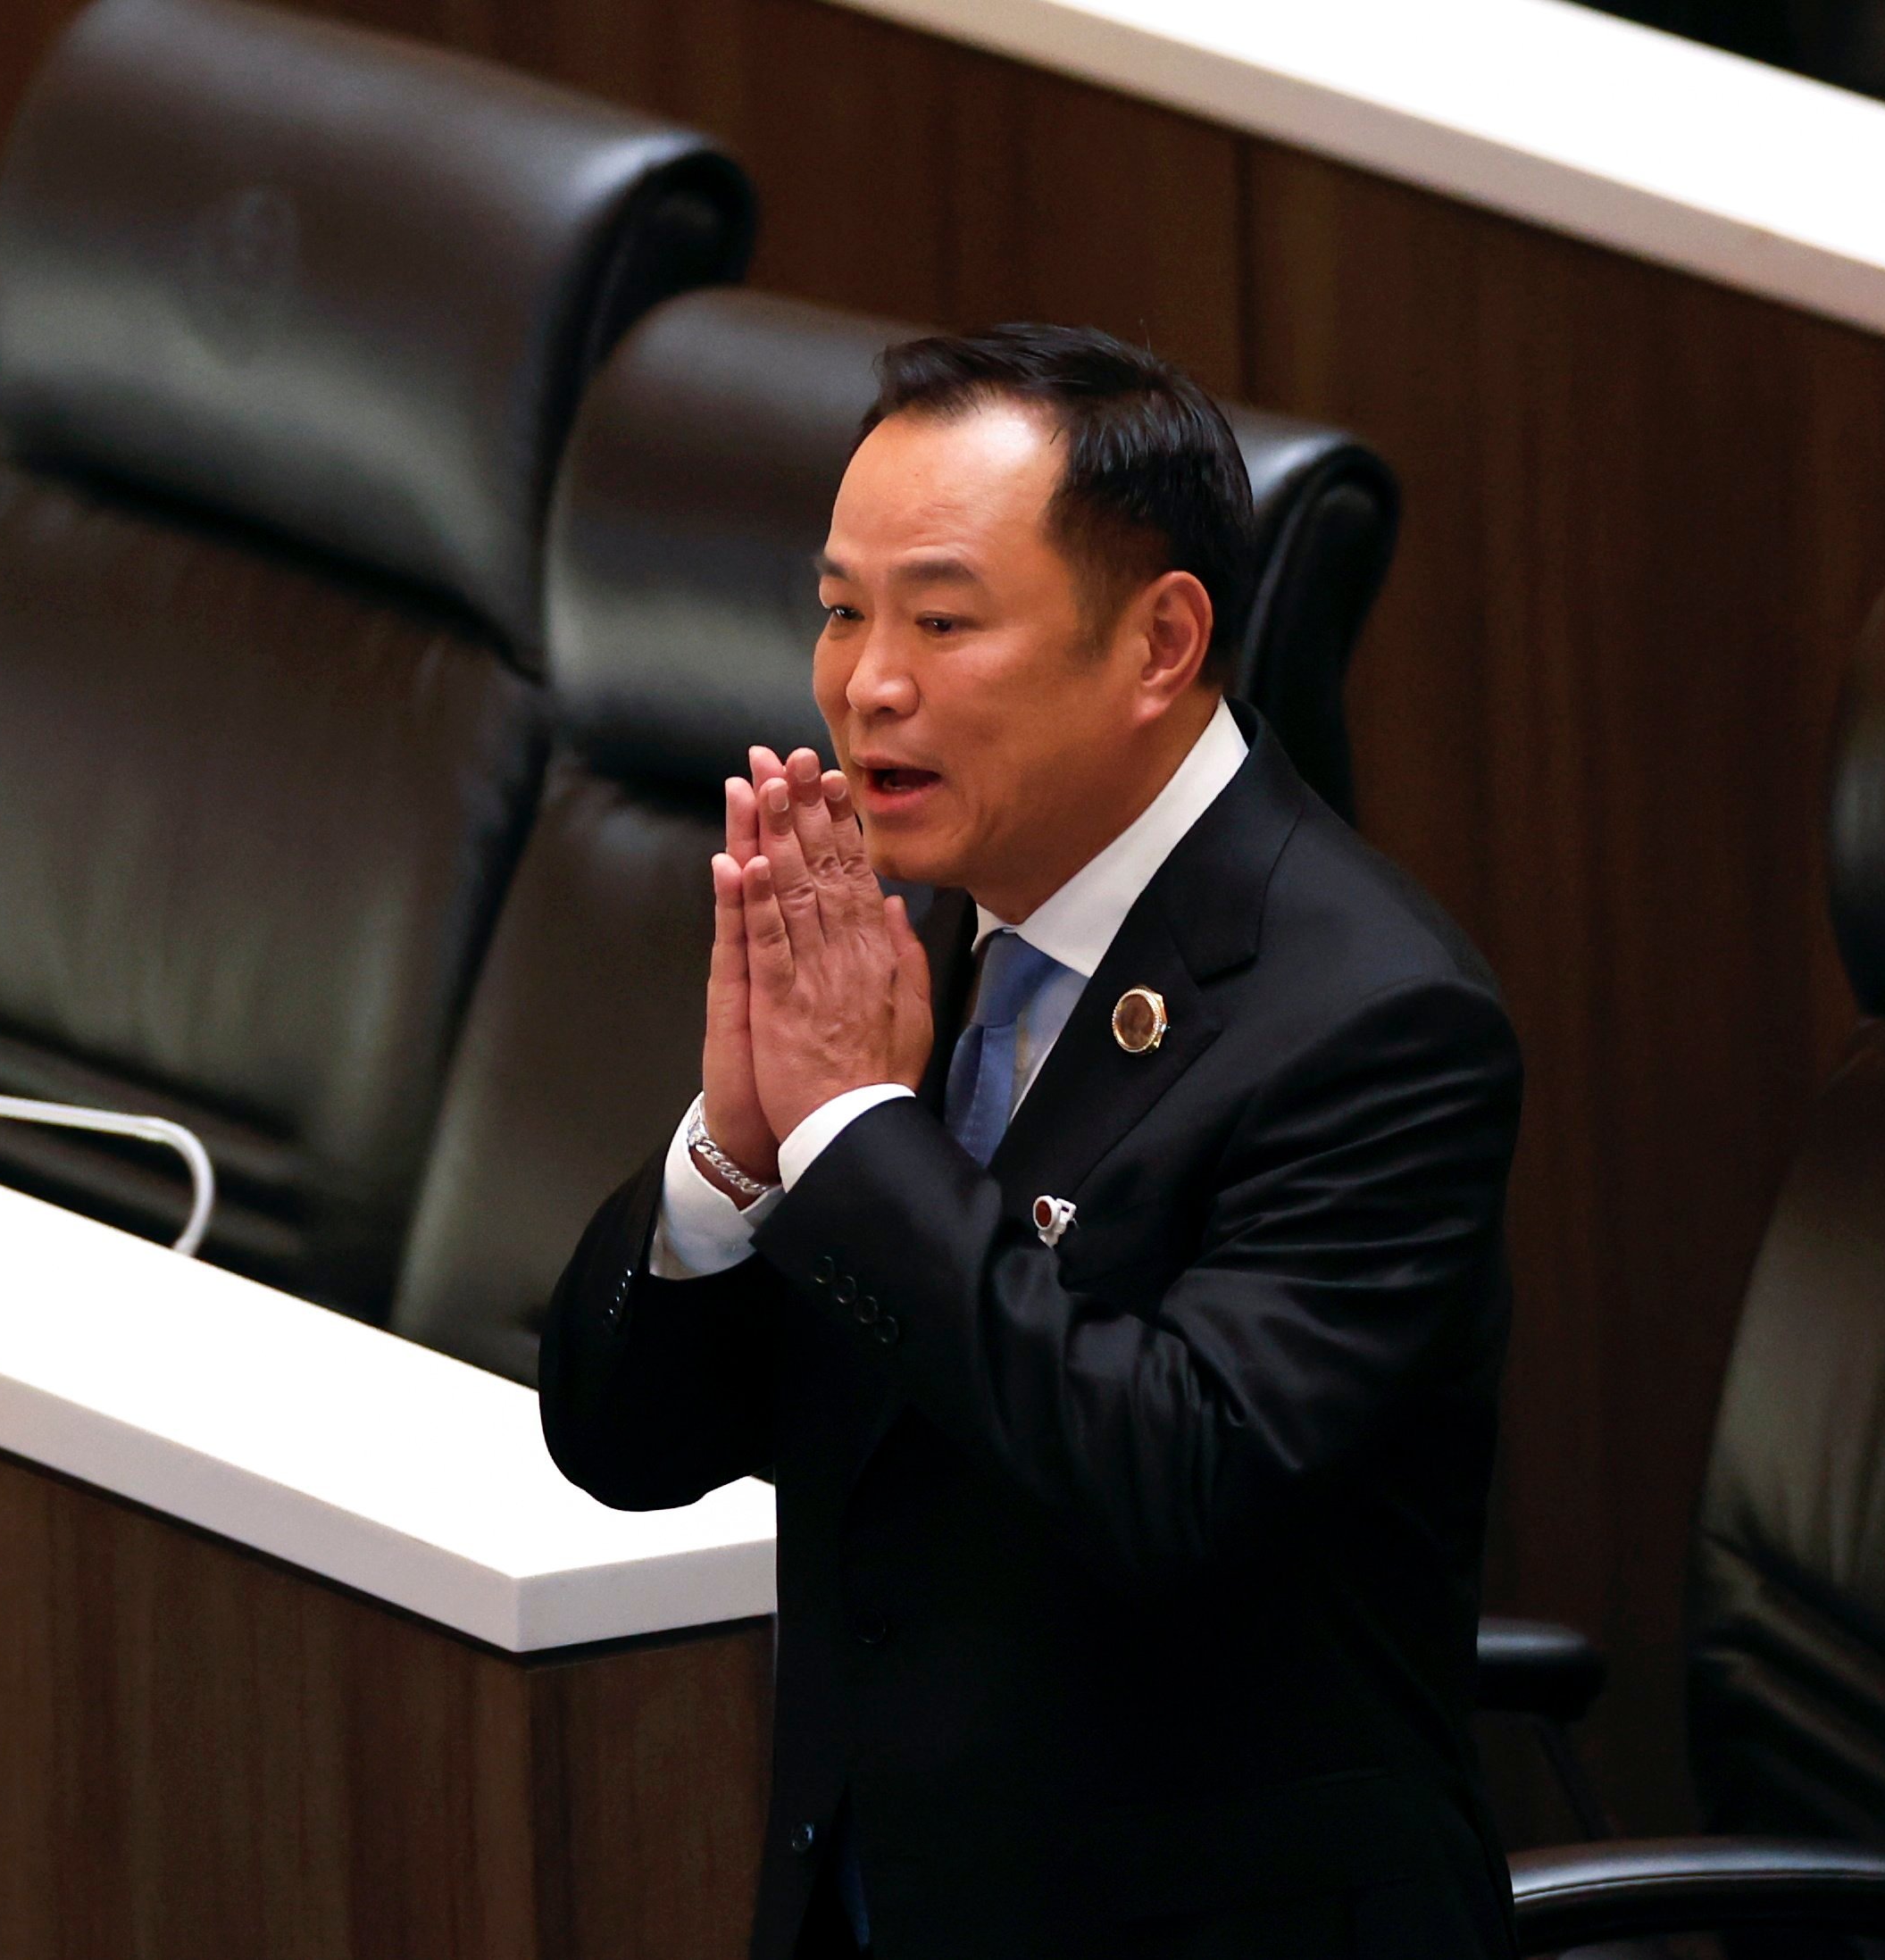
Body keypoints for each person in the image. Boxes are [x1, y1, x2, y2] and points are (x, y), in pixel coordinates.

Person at [538, 323, 1522, 1960]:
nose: (868, 681)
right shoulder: (923, 925)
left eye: (942, 618)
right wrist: (735, 1152)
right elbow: (620, 1448)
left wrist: (853, 1132)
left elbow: (1169, 1479)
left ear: (1160, 644)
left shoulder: (1378, 1025)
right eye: (843, 609)